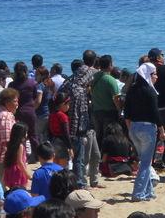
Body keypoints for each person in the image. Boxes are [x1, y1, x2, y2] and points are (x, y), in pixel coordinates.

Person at [123, 62, 165, 202]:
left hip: (134, 128)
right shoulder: (150, 92)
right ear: (148, 75)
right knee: (146, 163)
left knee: (143, 160)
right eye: (154, 74)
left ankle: (149, 191)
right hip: (147, 128)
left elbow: (126, 113)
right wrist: (162, 131)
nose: (156, 77)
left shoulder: (132, 89)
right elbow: (155, 114)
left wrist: (131, 129)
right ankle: (138, 193)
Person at [58, 57, 99, 189]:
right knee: (78, 159)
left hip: (63, 126)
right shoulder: (79, 90)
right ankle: (79, 183)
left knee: (65, 159)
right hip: (76, 129)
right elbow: (77, 114)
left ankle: (71, 182)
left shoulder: (67, 83)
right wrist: (76, 131)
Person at [9, 63, 40, 157]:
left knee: (18, 136)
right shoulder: (32, 83)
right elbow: (35, 97)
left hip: (17, 112)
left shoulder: (12, 84)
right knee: (33, 135)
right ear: (26, 71)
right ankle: (39, 156)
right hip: (30, 111)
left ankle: (20, 156)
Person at [89, 56, 120, 148]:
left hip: (96, 111)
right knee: (108, 136)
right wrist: (119, 110)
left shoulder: (94, 77)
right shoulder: (110, 80)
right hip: (109, 112)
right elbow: (116, 98)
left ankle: (98, 155)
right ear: (110, 65)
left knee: (98, 135)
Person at [3, 122, 30, 189]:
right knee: (20, 189)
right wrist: (26, 174)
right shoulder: (20, 146)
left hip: (11, 169)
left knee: (12, 188)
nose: (26, 134)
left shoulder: (10, 143)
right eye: (25, 132)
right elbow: (19, 161)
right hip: (18, 171)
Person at [34, 67, 53, 146]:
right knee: (45, 137)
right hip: (48, 113)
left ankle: (39, 155)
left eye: (36, 75)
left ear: (41, 76)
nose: (35, 76)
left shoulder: (40, 86)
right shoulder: (49, 84)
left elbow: (38, 101)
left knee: (37, 136)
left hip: (40, 114)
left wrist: (32, 109)